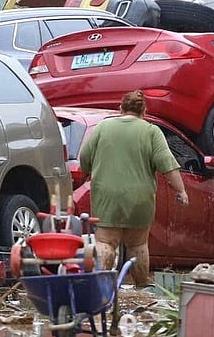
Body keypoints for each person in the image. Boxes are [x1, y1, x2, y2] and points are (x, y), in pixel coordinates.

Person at [78, 90, 188, 286]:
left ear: (120, 109)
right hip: (140, 198)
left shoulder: (103, 127)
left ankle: (100, 287)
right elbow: (167, 163)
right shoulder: (151, 131)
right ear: (144, 111)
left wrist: (87, 171)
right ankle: (141, 286)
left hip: (106, 197)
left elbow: (84, 158)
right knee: (138, 245)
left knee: (106, 243)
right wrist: (180, 191)